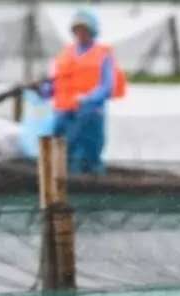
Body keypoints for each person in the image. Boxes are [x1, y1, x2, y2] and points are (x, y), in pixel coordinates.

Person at [38, 8, 126, 175]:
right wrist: (44, 90)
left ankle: (93, 182)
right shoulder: (65, 54)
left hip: (90, 115)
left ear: (92, 31)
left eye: (85, 29)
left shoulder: (103, 55)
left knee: (89, 156)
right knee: (62, 154)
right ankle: (62, 182)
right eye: (78, 29)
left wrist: (88, 99)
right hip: (63, 114)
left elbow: (108, 86)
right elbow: (56, 82)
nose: (81, 33)